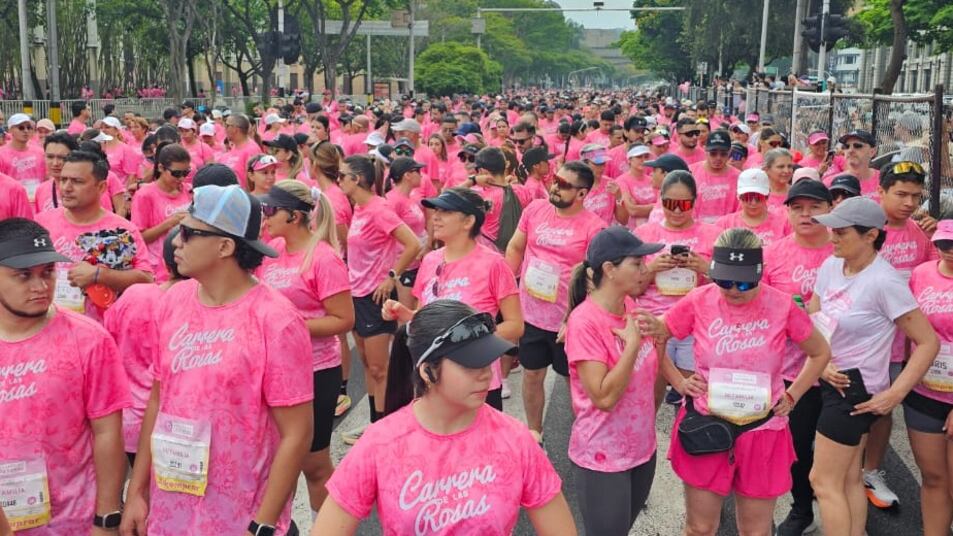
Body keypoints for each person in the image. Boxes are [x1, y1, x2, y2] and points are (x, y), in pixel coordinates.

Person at [120, 184, 314, 536]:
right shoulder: (173, 301)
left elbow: (297, 433)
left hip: (238, 514)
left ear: (225, 246)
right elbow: (158, 399)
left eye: (189, 233)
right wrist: (137, 492)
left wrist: (263, 524)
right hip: (170, 511)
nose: (176, 242)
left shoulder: (276, 319)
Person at [311, 300, 577, 536]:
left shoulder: (515, 439)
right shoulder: (380, 443)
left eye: (487, 361)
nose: (486, 373)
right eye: (471, 363)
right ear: (428, 372)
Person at [639, 227, 831, 536]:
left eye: (744, 282)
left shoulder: (782, 305)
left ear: (760, 273)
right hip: (706, 425)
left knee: (755, 532)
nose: (733, 290)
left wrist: (793, 395)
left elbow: (820, 352)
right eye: (724, 280)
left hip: (762, 429)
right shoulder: (699, 300)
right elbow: (658, 335)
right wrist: (677, 379)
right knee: (700, 528)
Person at [808, 196, 939, 536]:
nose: (832, 238)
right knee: (849, 477)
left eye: (842, 232)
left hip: (856, 389)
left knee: (822, 481)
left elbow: (928, 342)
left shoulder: (885, 281)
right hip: (831, 377)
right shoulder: (831, 265)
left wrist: (895, 394)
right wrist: (822, 364)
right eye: (832, 231)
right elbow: (815, 317)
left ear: (870, 235)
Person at [0, 217, 129, 534]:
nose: (40, 286)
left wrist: (106, 518)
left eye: (48, 273)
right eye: (23, 275)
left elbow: (107, 433)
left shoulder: (89, 340)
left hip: (71, 521)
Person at [257, 180, 355, 520]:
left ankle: (326, 526)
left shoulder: (323, 257)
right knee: (277, 462)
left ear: (295, 215)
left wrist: (289, 323)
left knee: (313, 464)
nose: (264, 215)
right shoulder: (271, 251)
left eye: (271, 209)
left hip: (315, 371)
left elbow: (343, 319)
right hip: (273, 372)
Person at [383, 187, 523, 411]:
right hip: (432, 381)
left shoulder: (494, 264)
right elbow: (426, 318)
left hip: (477, 382)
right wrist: (407, 315)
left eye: (445, 211)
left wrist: (467, 340)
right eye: (435, 210)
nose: (435, 217)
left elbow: (516, 326)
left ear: (468, 221)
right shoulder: (429, 261)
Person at [564, 227, 664, 535]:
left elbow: (652, 371)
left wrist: (658, 336)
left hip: (642, 449)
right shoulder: (585, 322)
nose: (645, 270)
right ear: (609, 269)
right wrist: (632, 346)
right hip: (602, 458)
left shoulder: (630, 307)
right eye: (636, 263)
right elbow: (604, 398)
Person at [505, 161, 606, 444]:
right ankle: (534, 432)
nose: (555, 187)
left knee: (573, 381)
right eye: (556, 180)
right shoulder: (535, 210)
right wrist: (504, 289)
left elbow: (593, 281)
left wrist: (572, 319)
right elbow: (515, 247)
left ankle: (585, 436)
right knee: (532, 375)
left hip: (567, 321)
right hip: (531, 314)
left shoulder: (595, 228)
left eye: (564, 185)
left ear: (583, 194)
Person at [861, 160, 937, 509]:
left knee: (884, 412)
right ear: (881, 191)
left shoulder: (920, 233)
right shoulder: (865, 228)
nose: (909, 203)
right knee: (854, 409)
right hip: (863, 342)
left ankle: (871, 471)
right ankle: (839, 472)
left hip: (901, 344)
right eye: (901, 194)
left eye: (916, 196)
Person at [762, 179, 835, 535]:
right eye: (798, 207)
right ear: (787, 211)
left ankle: (842, 507)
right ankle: (802, 509)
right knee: (797, 444)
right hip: (793, 369)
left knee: (840, 450)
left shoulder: (843, 249)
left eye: (815, 206)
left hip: (841, 368)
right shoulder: (774, 253)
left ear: (830, 209)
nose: (806, 214)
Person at [338, 155, 421, 445]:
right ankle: (375, 424)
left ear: (357, 179)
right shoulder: (359, 209)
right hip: (356, 294)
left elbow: (412, 243)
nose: (338, 180)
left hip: (376, 295)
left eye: (342, 175)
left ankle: (385, 430)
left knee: (379, 368)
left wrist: (391, 276)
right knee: (367, 364)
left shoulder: (378, 209)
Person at [36, 150, 153, 321]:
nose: (66, 188)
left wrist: (99, 275)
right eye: (63, 180)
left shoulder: (121, 230)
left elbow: (146, 280)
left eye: (77, 182)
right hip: (48, 325)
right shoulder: (41, 224)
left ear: (101, 187)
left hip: (101, 330)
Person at [635, 171, 720, 404]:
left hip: (695, 326)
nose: (677, 210)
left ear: (694, 201)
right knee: (648, 398)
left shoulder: (712, 234)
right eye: (670, 203)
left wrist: (705, 268)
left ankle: (683, 440)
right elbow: (631, 289)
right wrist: (651, 269)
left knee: (692, 397)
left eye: (684, 204)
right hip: (653, 322)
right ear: (660, 200)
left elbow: (729, 289)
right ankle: (647, 441)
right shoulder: (644, 235)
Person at [104, 229, 186, 468]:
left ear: (164, 262)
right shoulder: (198, 306)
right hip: (173, 427)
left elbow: (108, 339)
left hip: (125, 421)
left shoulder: (135, 295)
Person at [905, 220, 953, 535]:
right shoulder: (920, 274)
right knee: (934, 478)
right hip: (923, 394)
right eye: (944, 244)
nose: (949, 252)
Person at [130, 144, 191, 281]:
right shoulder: (145, 195)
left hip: (186, 263)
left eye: (186, 173)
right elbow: (138, 238)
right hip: (159, 268)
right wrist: (169, 223)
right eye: (176, 173)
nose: (181, 178)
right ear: (161, 168)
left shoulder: (188, 190)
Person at [715, 168, 789, 246]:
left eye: (758, 197)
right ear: (739, 196)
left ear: (767, 196)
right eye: (747, 197)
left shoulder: (783, 223)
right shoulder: (724, 224)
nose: (753, 203)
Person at [688, 130, 740, 223]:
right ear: (705, 150)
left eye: (723, 154)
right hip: (698, 230)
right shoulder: (690, 172)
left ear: (730, 152)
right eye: (713, 153)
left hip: (727, 231)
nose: (718, 158)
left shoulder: (739, 177)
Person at [0, 114, 46, 203]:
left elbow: (47, 177)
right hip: (12, 202)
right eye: (21, 128)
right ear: (10, 130)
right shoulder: (1, 154)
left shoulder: (40, 152)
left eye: (28, 127)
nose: (25, 131)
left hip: (37, 202)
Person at [822, 130, 881, 201]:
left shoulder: (884, 180)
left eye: (857, 146)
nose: (850, 150)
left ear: (872, 152)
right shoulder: (830, 183)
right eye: (846, 146)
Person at [217, 114, 263, 188]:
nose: (224, 129)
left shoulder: (251, 150)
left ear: (235, 129)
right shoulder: (235, 146)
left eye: (227, 125)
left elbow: (254, 182)